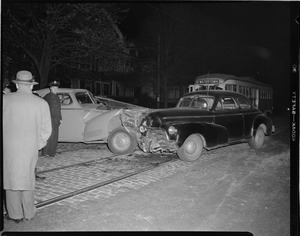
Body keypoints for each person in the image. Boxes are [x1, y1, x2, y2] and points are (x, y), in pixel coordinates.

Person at [3, 70, 52, 223]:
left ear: (16, 84)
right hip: (30, 148)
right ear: (31, 86)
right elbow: (46, 130)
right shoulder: (41, 103)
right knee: (28, 178)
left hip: (8, 147)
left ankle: (15, 214)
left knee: (10, 180)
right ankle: (29, 213)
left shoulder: (5, 100)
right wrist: (37, 145)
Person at [42, 80, 62, 157]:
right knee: (50, 135)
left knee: (55, 136)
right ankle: (46, 152)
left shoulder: (56, 96)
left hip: (56, 119)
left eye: (56, 88)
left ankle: (52, 151)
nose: (55, 89)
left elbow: (58, 109)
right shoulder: (47, 97)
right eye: (54, 88)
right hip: (50, 118)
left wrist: (60, 118)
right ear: (50, 88)